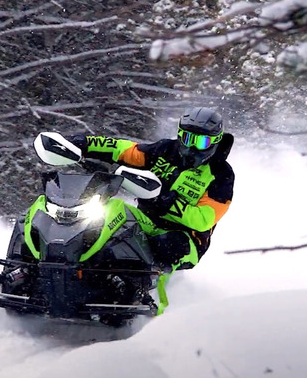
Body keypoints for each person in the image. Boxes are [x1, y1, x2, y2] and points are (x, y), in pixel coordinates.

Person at [67, 107, 235, 272]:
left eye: (201, 142)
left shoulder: (221, 175)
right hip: (145, 221)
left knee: (167, 244)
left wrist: (168, 203)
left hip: (186, 238)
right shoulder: (165, 150)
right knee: (110, 212)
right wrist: (84, 144)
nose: (192, 147)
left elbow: (204, 220)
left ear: (215, 141)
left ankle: (146, 291)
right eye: (187, 138)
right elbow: (125, 150)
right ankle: (74, 265)